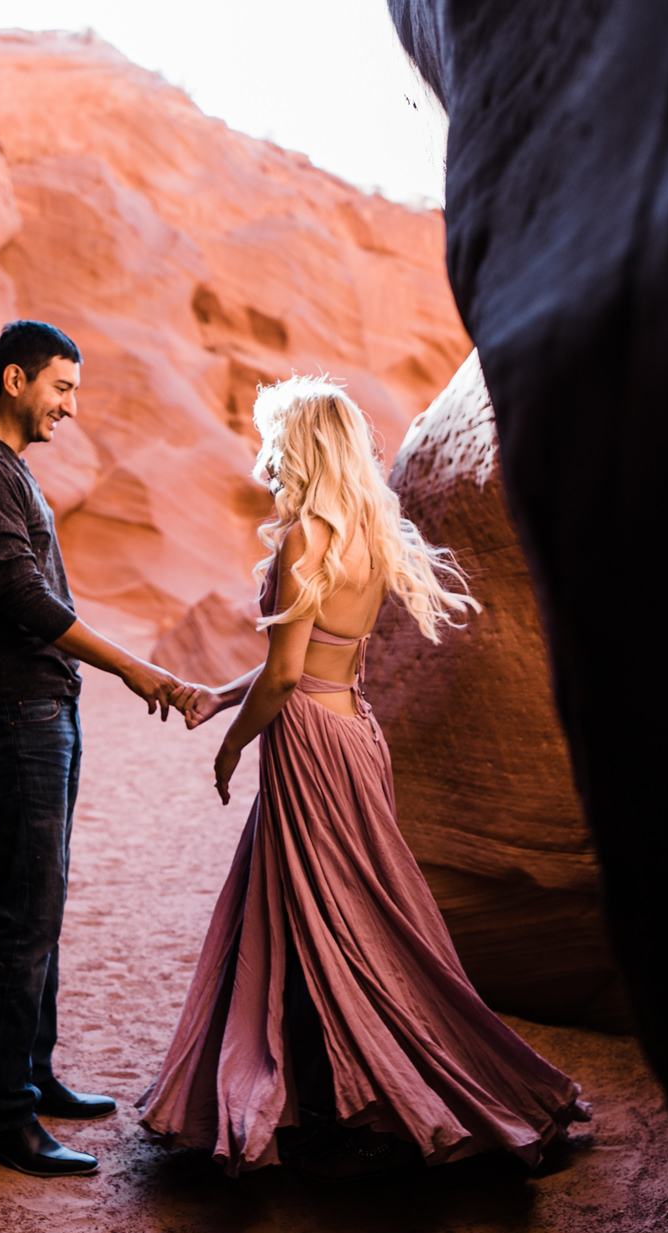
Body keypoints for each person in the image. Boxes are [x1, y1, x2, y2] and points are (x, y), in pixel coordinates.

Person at [140, 377, 592, 1178]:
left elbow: (285, 678)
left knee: (330, 915)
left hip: (308, 741)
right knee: (347, 908)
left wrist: (231, 745)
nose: (264, 457)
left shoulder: (302, 542)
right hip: (352, 730)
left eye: (275, 440)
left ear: (302, 446)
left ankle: (353, 1096)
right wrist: (217, 697)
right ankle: (336, 1091)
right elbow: (314, 663)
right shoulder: (362, 536)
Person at [0, 320, 189, 1178]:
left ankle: (32, 1076)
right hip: (16, 717)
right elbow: (21, 597)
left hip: (45, 711)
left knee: (44, 905)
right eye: (61, 388)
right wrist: (131, 667)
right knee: (27, 915)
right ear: (14, 379)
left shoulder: (8, 473)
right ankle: (2, 1112)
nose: (70, 407)